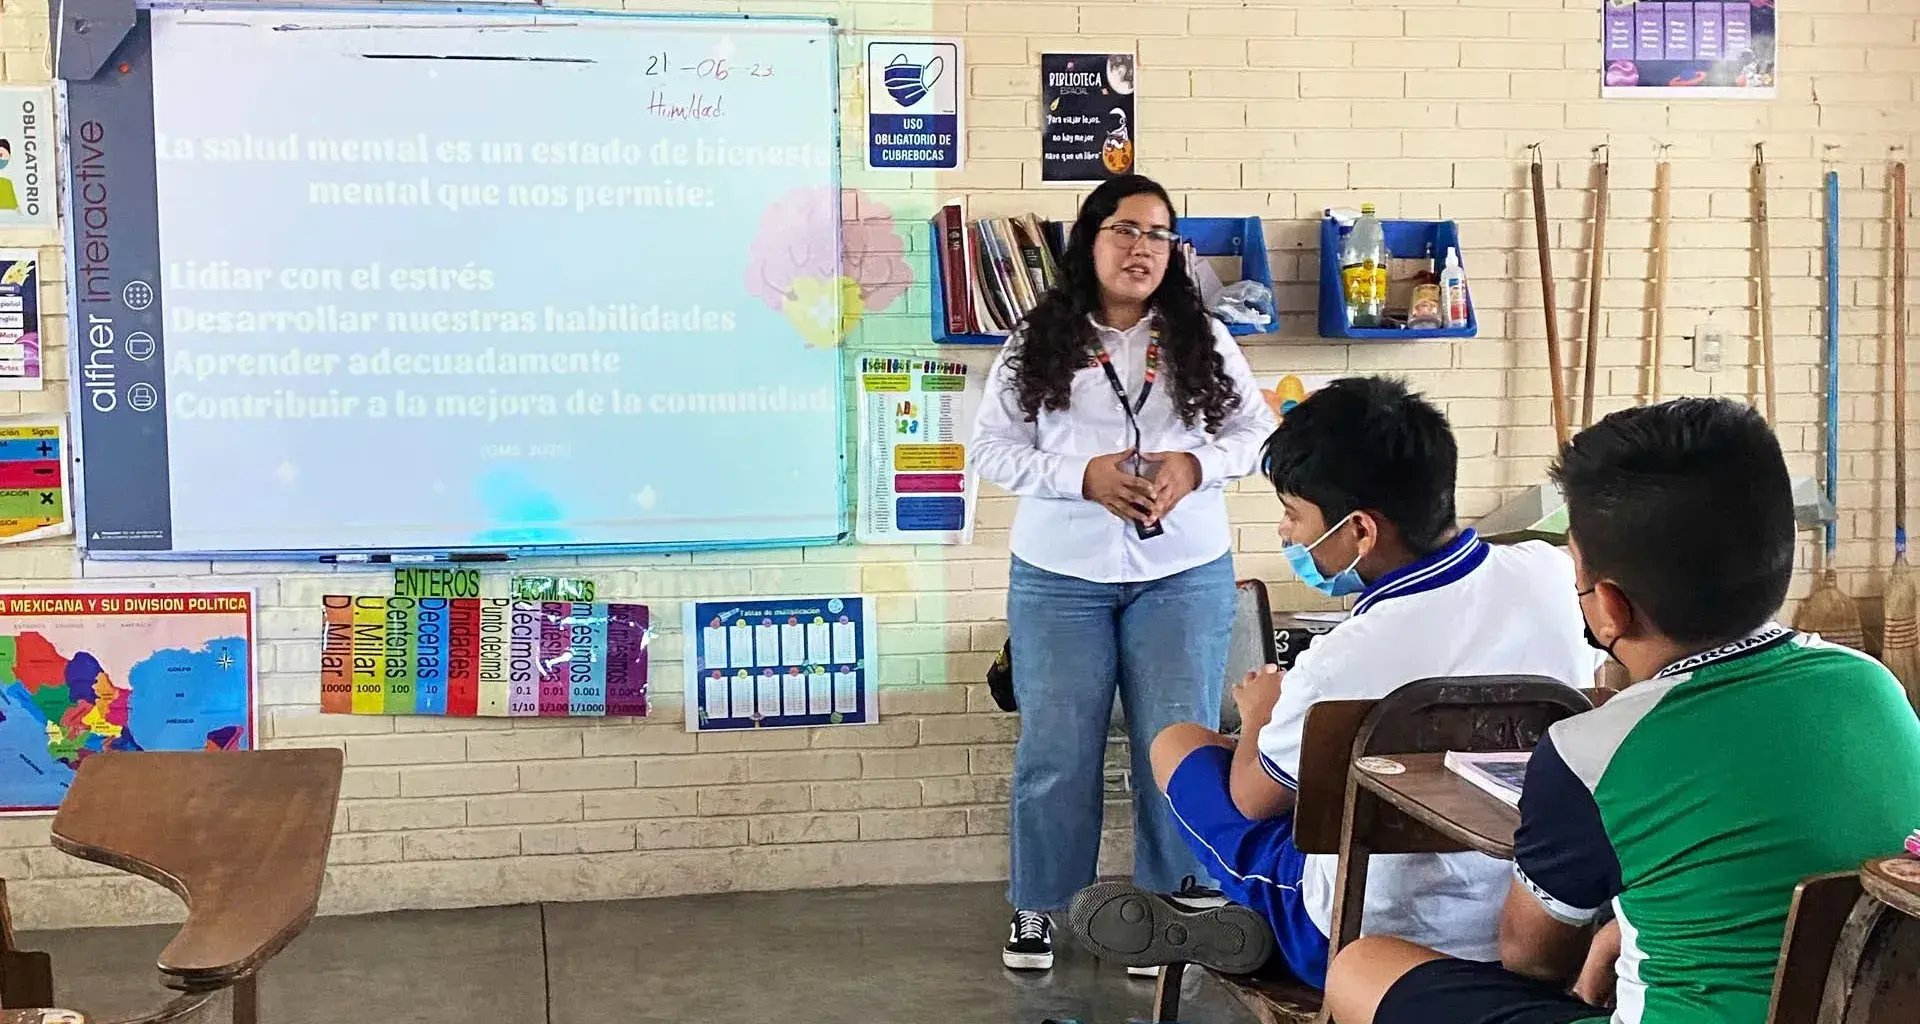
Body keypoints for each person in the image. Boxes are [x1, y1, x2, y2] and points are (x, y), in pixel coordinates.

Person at [1320, 398, 1920, 1024]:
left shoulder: (1594, 747)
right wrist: (1625, 930)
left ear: (1608, 604)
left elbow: (1531, 957)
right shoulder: (1874, 684)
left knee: (1363, 966)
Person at [1067, 376, 1594, 988]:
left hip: (1352, 934)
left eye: (1294, 515)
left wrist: (1263, 713)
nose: (1287, 534)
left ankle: (1251, 915)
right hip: (1534, 926)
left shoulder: (1344, 656)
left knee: (1178, 744)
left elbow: (1250, 801)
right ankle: (1238, 919)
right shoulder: (1554, 575)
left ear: (1361, 531)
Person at [971, 174, 1276, 971]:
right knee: (1057, 746)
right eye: (1125, 230)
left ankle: (1167, 909)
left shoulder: (1203, 338)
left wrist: (1192, 464)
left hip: (1180, 569)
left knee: (1172, 742)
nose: (1142, 247)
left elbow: (1257, 434)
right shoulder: (1038, 338)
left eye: (1158, 234)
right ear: (1091, 241)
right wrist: (1081, 477)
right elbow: (991, 450)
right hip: (1058, 572)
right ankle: (1039, 904)